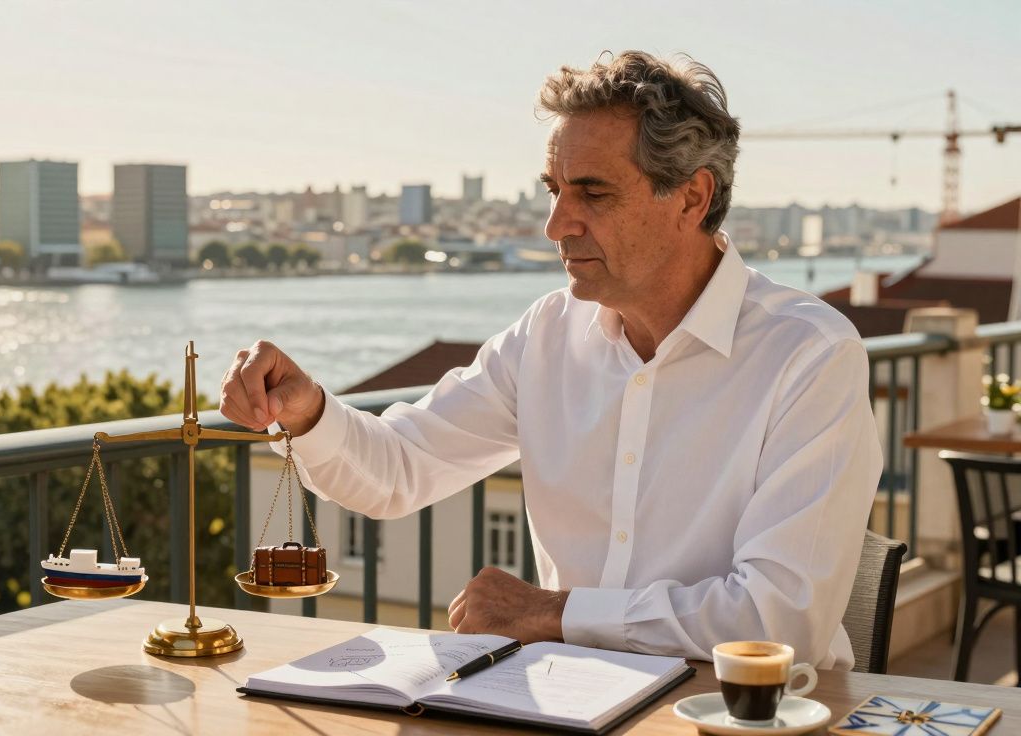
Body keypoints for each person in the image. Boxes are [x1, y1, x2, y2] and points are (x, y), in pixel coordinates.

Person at [219, 51, 880, 669]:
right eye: (554, 190)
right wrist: (307, 412)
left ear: (691, 197)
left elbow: (777, 620)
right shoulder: (546, 335)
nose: (557, 224)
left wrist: (553, 613)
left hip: (747, 716)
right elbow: (397, 468)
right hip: (573, 703)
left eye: (593, 193)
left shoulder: (809, 354)